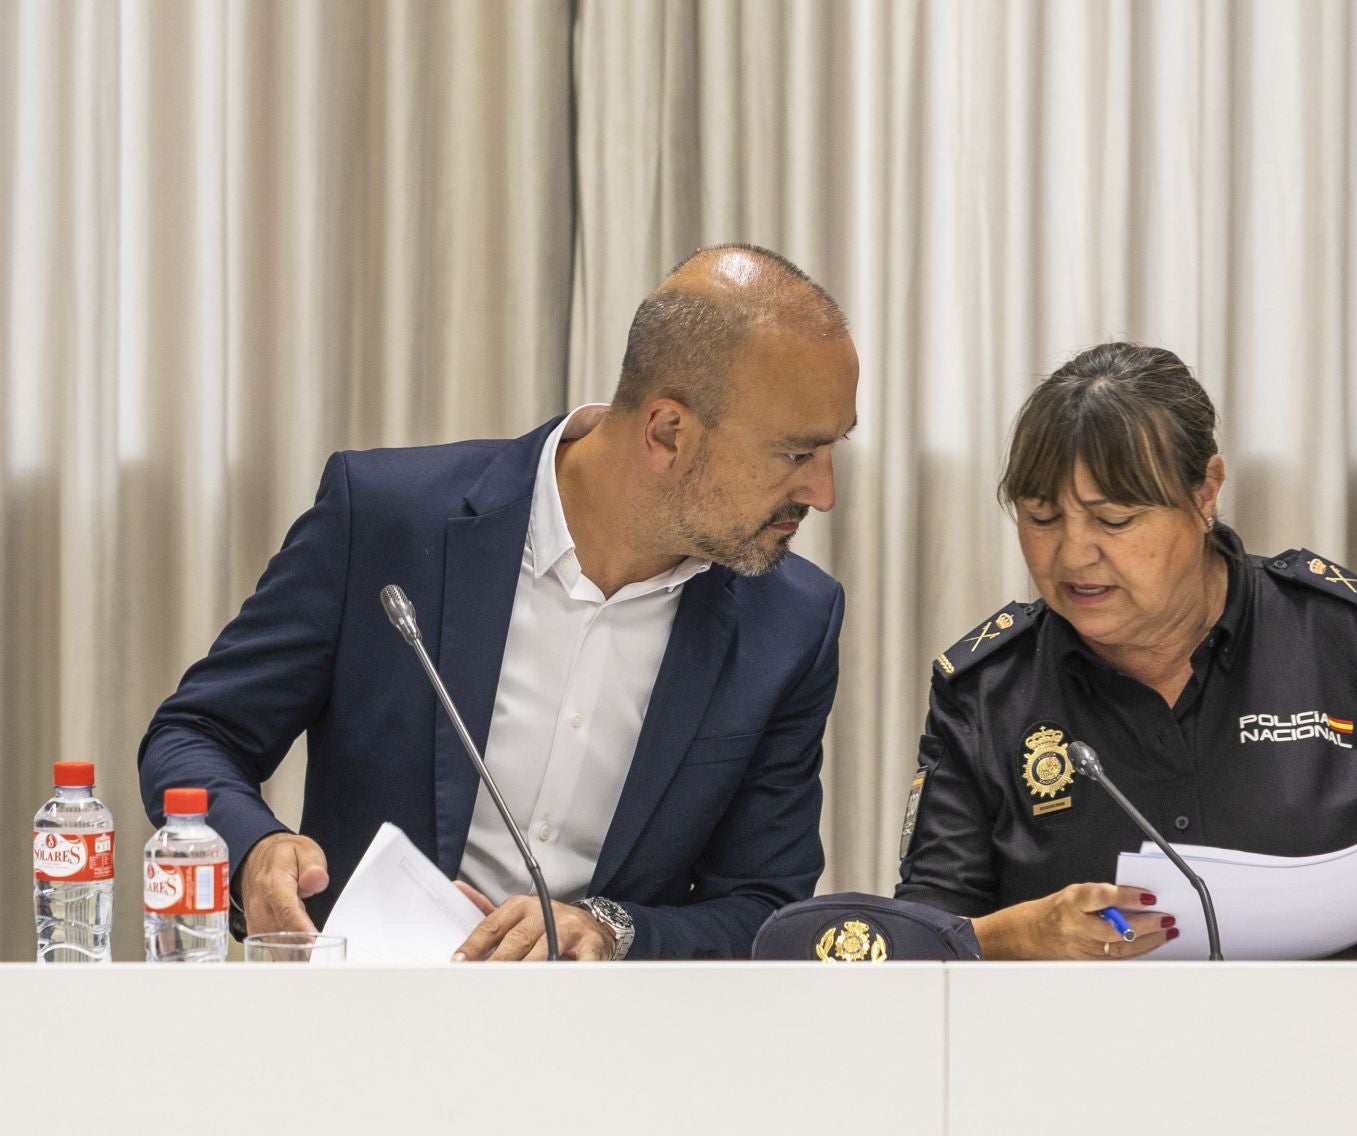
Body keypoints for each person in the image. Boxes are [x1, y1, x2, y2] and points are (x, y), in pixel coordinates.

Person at [139, 244, 858, 960]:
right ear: (667, 432)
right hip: (360, 1008)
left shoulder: (792, 622)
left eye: (834, 449)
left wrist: (611, 929)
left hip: (602, 1026)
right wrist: (256, 849)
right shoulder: (388, 520)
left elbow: (765, 906)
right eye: (796, 454)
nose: (823, 492)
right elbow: (195, 734)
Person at [895, 342, 1357, 959]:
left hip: (1345, 1022)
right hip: (1090, 1028)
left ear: (1205, 493)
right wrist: (1022, 936)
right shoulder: (987, 688)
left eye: (1113, 520)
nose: (1073, 555)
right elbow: (923, 931)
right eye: (1041, 518)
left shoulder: (1344, 637)